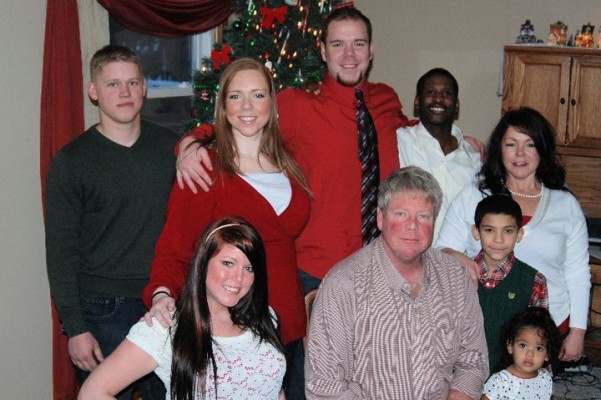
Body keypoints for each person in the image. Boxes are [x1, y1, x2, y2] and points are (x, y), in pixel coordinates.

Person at [176, 7, 410, 295]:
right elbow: (241, 119)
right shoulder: (297, 105)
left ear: (371, 50)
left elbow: (416, 131)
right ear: (323, 51)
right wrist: (190, 142)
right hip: (318, 274)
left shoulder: (386, 100)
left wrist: (457, 138)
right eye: (338, 44)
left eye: (358, 44)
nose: (349, 55)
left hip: (380, 270)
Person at [141, 57, 311, 398]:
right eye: (236, 96)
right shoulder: (204, 168)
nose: (247, 106)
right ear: (223, 106)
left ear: (272, 103)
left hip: (288, 325)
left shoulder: (289, 162)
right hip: (232, 329)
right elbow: (174, 248)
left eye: (258, 95)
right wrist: (161, 295)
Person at [44, 45, 177, 399]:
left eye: (132, 83)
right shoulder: (71, 162)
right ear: (94, 91)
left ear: (144, 88)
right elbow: (60, 252)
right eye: (113, 84)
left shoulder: (173, 149)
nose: (125, 92)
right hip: (101, 308)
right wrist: (75, 328)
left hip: (164, 301)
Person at [305, 166, 488, 399]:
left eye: (423, 216)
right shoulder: (343, 285)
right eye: (401, 214)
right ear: (380, 219)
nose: (412, 226)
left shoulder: (455, 276)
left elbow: (474, 359)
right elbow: (324, 387)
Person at [436, 107, 590, 365]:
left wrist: (578, 331)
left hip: (544, 332)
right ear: (499, 149)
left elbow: (577, 272)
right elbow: (441, 250)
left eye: (530, 144)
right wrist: (461, 259)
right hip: (483, 324)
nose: (520, 153)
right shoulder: (472, 196)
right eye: (511, 144)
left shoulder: (566, 205)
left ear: (542, 149)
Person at [78, 217, 287, 400]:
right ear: (203, 262)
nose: (238, 277)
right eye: (228, 263)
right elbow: (92, 392)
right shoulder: (166, 327)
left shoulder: (265, 317)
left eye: (249, 268)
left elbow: (273, 388)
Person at [396, 67, 481, 242]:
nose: (438, 99)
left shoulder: (475, 159)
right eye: (430, 92)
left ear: (456, 105)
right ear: (417, 102)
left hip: (457, 256)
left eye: (446, 93)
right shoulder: (399, 141)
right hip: (407, 253)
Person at [472, 194, 548, 373]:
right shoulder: (459, 274)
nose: (498, 239)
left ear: (519, 234)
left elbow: (539, 336)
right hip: (464, 371)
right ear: (476, 232)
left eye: (507, 231)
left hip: (510, 376)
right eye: (489, 230)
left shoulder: (534, 280)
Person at [481, 307, 560, 400]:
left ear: (547, 354)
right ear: (510, 346)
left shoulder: (545, 378)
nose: (530, 354)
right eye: (523, 345)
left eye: (538, 348)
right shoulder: (500, 381)